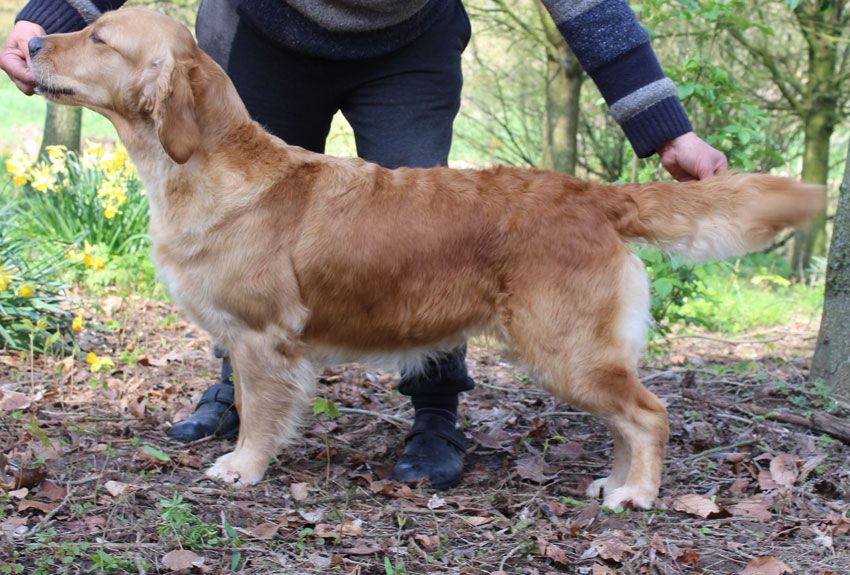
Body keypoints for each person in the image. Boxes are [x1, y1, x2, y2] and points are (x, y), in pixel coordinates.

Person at [1, 0, 727, 490]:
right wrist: (49, 17)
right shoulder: (168, 81)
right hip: (261, 25)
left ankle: (435, 409)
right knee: (251, 261)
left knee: (433, 240)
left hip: (408, 38)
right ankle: (239, 395)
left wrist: (662, 126)